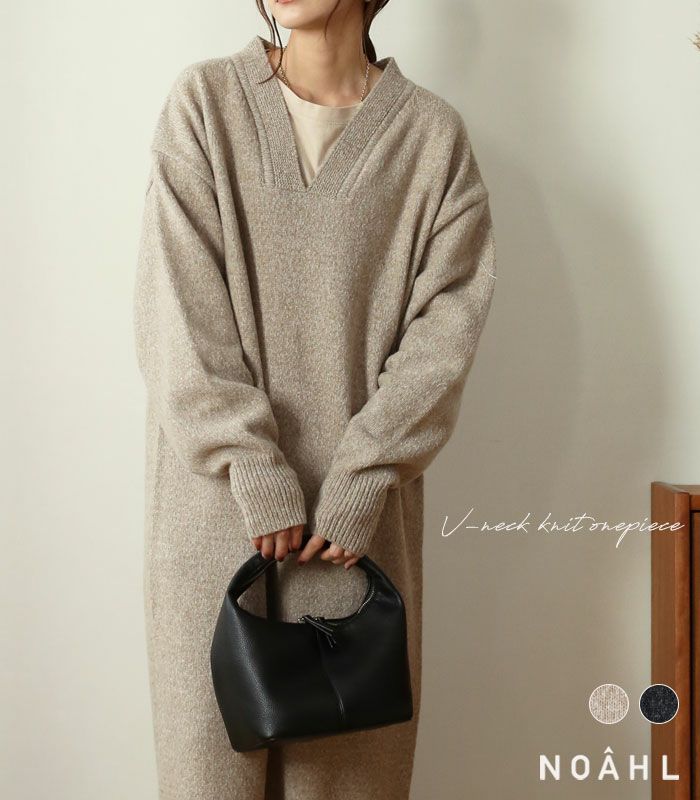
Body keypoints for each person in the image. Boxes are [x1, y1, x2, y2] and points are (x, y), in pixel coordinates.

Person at [132, 0, 497, 798]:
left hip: (352, 538)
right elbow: (177, 313)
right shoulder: (205, 104)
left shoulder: (431, 138)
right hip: (214, 526)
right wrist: (250, 464)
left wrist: (365, 473)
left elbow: (447, 332)